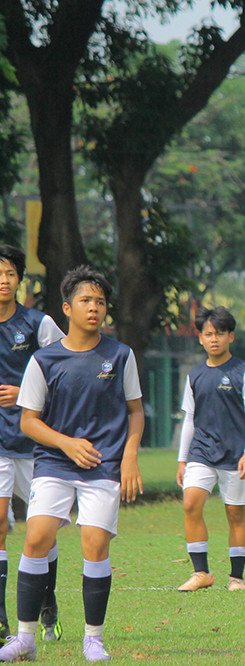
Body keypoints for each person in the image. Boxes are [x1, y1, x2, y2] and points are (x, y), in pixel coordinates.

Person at [0, 266, 143, 662]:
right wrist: (67, 444)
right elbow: (29, 420)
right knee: (35, 537)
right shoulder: (44, 360)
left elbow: (135, 412)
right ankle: (25, 638)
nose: (94, 308)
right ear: (67, 307)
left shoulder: (120, 355)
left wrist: (129, 457)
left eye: (100, 302)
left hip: (104, 465)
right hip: (54, 464)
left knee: (95, 544)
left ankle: (93, 639)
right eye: (85, 300)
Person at [176, 306, 245, 593]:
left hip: (236, 454)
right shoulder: (195, 374)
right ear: (200, 338)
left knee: (235, 514)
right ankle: (200, 572)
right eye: (208, 334)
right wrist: (182, 458)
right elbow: (190, 418)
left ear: (231, 336)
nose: (214, 339)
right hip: (201, 451)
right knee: (191, 503)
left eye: (220, 333)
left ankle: (236, 578)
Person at [0, 246, 65, 641]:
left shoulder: (38, 324)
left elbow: (66, 367)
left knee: (43, 532)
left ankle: (48, 600)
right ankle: (2, 618)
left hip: (33, 441)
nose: (2, 280)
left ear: (19, 279)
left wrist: (25, 390)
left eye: (9, 273)